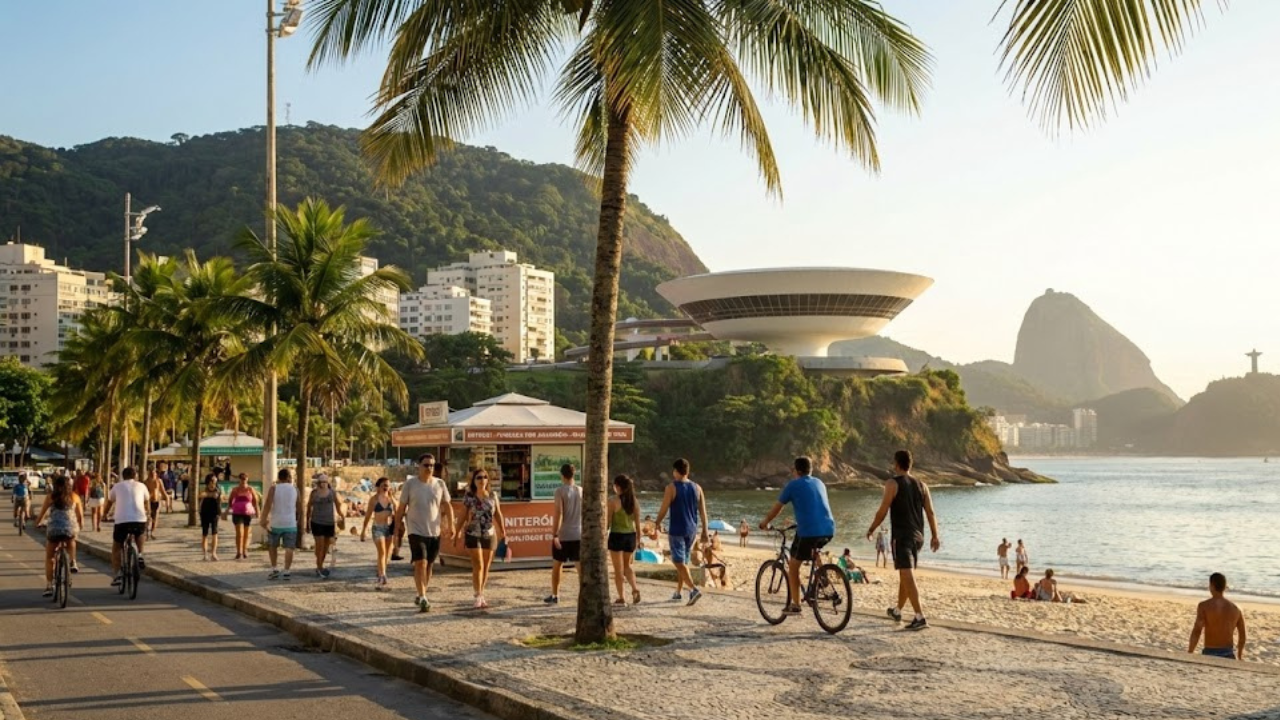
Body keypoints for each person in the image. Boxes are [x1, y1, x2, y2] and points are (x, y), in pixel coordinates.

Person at [866, 449, 940, 631]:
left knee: (906, 574)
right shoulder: (923, 485)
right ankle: (897, 610)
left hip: (902, 536)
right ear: (910, 464)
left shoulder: (892, 483)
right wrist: (935, 535)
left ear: (896, 464)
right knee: (904, 575)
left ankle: (919, 616)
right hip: (918, 537)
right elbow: (930, 512)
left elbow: (883, 510)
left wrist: (871, 529)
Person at [760, 456, 836, 616]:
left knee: (793, 567)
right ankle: (823, 578)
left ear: (797, 471)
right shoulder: (819, 483)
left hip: (808, 532)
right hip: (829, 529)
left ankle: (795, 605)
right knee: (813, 550)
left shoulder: (792, 485)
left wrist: (765, 522)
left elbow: (777, 508)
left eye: (793, 470)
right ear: (810, 470)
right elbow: (814, 507)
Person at [395, 454, 455, 611]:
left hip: (434, 530)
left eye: (432, 465)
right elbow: (401, 508)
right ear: (419, 466)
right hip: (415, 530)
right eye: (426, 465)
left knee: (428, 565)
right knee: (420, 562)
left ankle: (422, 592)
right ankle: (422, 597)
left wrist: (451, 525)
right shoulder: (410, 484)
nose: (429, 468)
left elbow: (447, 505)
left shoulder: (440, 484)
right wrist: (396, 527)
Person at [655, 458, 710, 606]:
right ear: (687, 471)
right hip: (692, 530)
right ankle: (678, 592)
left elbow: (664, 508)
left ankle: (693, 590)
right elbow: (703, 512)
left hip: (677, 529)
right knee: (683, 562)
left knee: (678, 561)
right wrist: (705, 530)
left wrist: (657, 523)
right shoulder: (697, 488)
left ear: (676, 471)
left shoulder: (671, 488)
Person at [453, 468, 505, 609]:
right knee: (478, 564)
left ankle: (482, 593)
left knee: (487, 565)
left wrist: (503, 531)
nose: (482, 480)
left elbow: (498, 514)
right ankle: (477, 594)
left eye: (484, 477)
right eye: (479, 478)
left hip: (489, 532)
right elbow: (463, 515)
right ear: (474, 481)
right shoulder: (469, 496)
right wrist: (456, 532)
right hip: (473, 532)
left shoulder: (493, 495)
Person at [34, 474, 84, 597]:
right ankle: (73, 561)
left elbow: (42, 514)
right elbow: (80, 516)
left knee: (50, 557)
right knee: (71, 539)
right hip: (69, 529)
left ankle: (49, 585)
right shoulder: (75, 497)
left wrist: (37, 523)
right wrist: (80, 526)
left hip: (54, 530)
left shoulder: (51, 497)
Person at [103, 466, 150, 586]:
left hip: (121, 521)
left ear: (123, 476)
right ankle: (140, 554)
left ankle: (118, 574)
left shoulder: (117, 486)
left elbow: (109, 502)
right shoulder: (141, 486)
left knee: (116, 547)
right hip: (139, 519)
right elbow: (146, 500)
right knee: (140, 533)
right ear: (135, 476)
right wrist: (148, 513)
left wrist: (104, 515)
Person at [545, 464, 582, 605]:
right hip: (578, 533)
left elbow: (559, 512)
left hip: (564, 534)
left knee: (557, 565)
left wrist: (555, 534)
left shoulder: (559, 491)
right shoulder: (580, 490)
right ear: (574, 475)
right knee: (580, 567)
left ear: (562, 475)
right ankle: (582, 595)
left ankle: (555, 595)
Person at [1189, 572, 1247, 660]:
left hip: (1209, 651)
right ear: (1224, 587)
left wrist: (1190, 651)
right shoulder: (1236, 608)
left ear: (1212, 585)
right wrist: (1239, 655)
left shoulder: (1204, 606)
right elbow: (1242, 635)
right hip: (1228, 653)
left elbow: (1197, 630)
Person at [607, 474, 642, 606]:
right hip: (631, 536)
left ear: (618, 487)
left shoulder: (613, 501)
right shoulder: (634, 502)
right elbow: (638, 525)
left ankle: (622, 597)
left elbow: (608, 523)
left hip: (617, 536)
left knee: (618, 570)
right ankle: (634, 588)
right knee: (627, 566)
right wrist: (638, 540)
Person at [260, 467, 298, 581]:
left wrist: (263, 518)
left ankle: (274, 568)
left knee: (273, 546)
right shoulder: (295, 489)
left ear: (279, 477)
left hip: (276, 522)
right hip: (290, 522)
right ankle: (286, 570)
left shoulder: (274, 488)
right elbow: (299, 506)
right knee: (289, 548)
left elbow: (268, 504)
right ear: (288, 477)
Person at [360, 477, 398, 590]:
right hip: (377, 528)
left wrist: (392, 498)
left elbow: (398, 510)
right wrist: (363, 530)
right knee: (382, 551)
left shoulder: (391, 499)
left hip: (389, 528)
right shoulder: (374, 499)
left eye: (388, 485)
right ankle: (383, 575)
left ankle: (381, 571)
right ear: (379, 486)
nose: (386, 487)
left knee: (387, 553)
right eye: (384, 485)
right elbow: (367, 516)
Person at [305, 473, 343, 578]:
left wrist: (341, 516)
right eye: (321, 482)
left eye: (325, 482)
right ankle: (320, 567)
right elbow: (309, 507)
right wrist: (307, 522)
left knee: (326, 547)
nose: (323, 484)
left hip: (329, 522)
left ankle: (319, 564)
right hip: (317, 522)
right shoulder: (314, 493)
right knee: (320, 545)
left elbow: (338, 505)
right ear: (318, 483)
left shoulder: (332, 493)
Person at [227, 473, 260, 560]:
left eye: (244, 479)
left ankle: (245, 550)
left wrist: (258, 513)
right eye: (241, 479)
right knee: (239, 533)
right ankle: (239, 552)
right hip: (237, 513)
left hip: (248, 513)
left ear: (247, 480)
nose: (243, 481)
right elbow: (230, 500)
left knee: (246, 533)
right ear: (239, 480)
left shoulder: (250, 489)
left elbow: (255, 501)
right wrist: (228, 510)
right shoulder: (235, 489)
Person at [197, 474, 223, 561]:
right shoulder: (203, 489)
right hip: (204, 512)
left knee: (214, 533)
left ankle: (213, 553)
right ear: (208, 481)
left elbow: (217, 495)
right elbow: (200, 495)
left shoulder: (218, 489)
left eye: (215, 481)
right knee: (205, 533)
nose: (213, 483)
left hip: (215, 513)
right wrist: (208, 495)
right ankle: (205, 554)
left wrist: (208, 494)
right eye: (212, 481)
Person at [144, 468, 164, 540]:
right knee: (148, 518)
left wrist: (166, 498)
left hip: (157, 501)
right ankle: (147, 532)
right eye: (151, 473)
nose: (153, 474)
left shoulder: (159, 481)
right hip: (148, 502)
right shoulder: (146, 482)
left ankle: (152, 532)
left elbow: (162, 491)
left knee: (155, 517)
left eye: (154, 473)